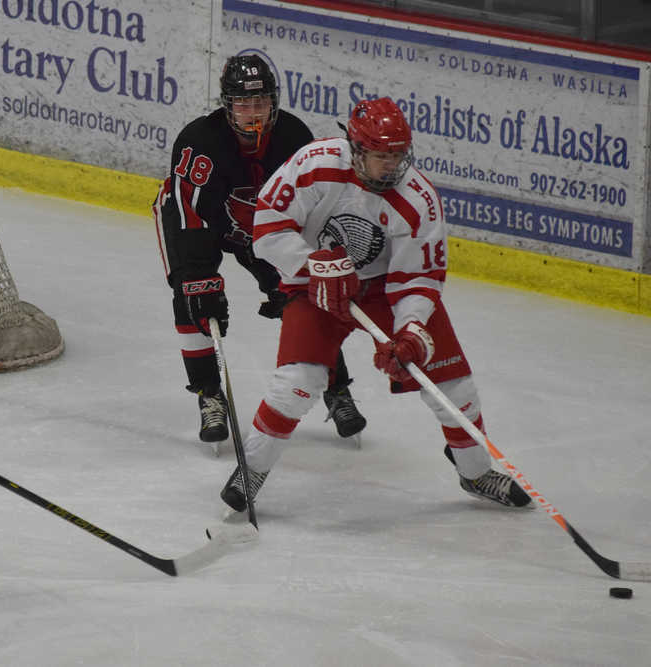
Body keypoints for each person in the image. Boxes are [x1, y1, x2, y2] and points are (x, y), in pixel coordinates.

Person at [220, 97, 532, 512]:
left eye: (398, 155)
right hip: (318, 288)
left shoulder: (418, 200)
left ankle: (475, 473)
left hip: (385, 290)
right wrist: (314, 263)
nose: (392, 164)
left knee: (454, 388)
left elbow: (417, 279)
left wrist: (411, 332)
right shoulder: (314, 165)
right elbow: (268, 229)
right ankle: (252, 469)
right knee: (298, 382)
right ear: (356, 148)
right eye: (382, 155)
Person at [153, 54, 366, 446]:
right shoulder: (200, 142)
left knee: (307, 297)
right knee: (194, 299)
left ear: (274, 101)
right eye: (243, 103)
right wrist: (199, 277)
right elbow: (187, 212)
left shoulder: (293, 138)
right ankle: (208, 394)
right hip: (203, 224)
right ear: (227, 104)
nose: (253, 112)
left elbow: (309, 210)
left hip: (267, 231)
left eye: (261, 102)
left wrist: (297, 268)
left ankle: (337, 388)